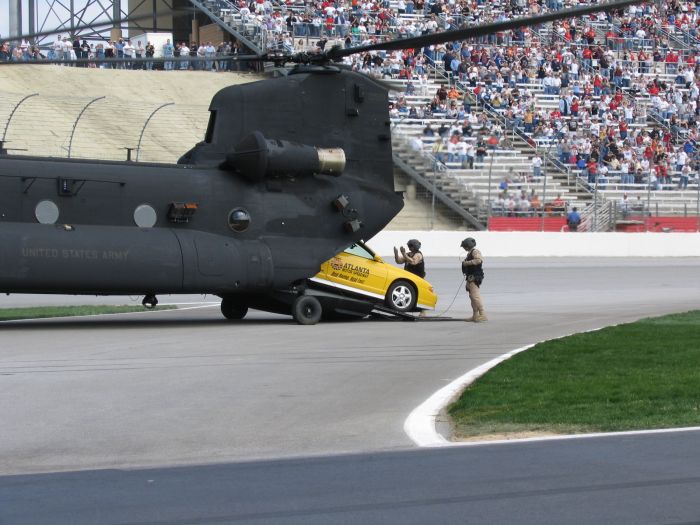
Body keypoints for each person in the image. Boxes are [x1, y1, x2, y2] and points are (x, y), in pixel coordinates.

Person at [461, 238, 486, 322]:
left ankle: (482, 314)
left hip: (475, 276)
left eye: (464, 246)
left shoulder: (475, 252)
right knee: (472, 296)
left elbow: (479, 260)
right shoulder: (469, 253)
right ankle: (475, 315)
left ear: (468, 246)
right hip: (470, 277)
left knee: (475, 296)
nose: (464, 248)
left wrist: (467, 263)